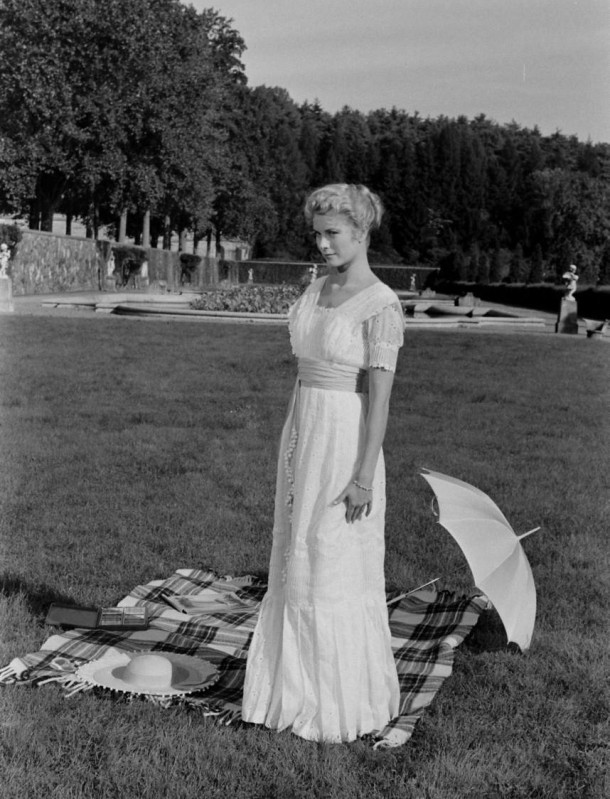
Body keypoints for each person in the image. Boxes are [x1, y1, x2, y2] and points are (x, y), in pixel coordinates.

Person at [242, 184, 404, 743]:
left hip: (342, 440)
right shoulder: (316, 288)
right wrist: (291, 442)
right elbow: (305, 369)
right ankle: (290, 689)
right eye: (317, 234)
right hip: (303, 430)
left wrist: (364, 477)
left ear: (362, 232)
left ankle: (337, 700)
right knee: (295, 553)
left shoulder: (381, 304)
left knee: (330, 556)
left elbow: (379, 401)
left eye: (333, 233)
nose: (323, 244)